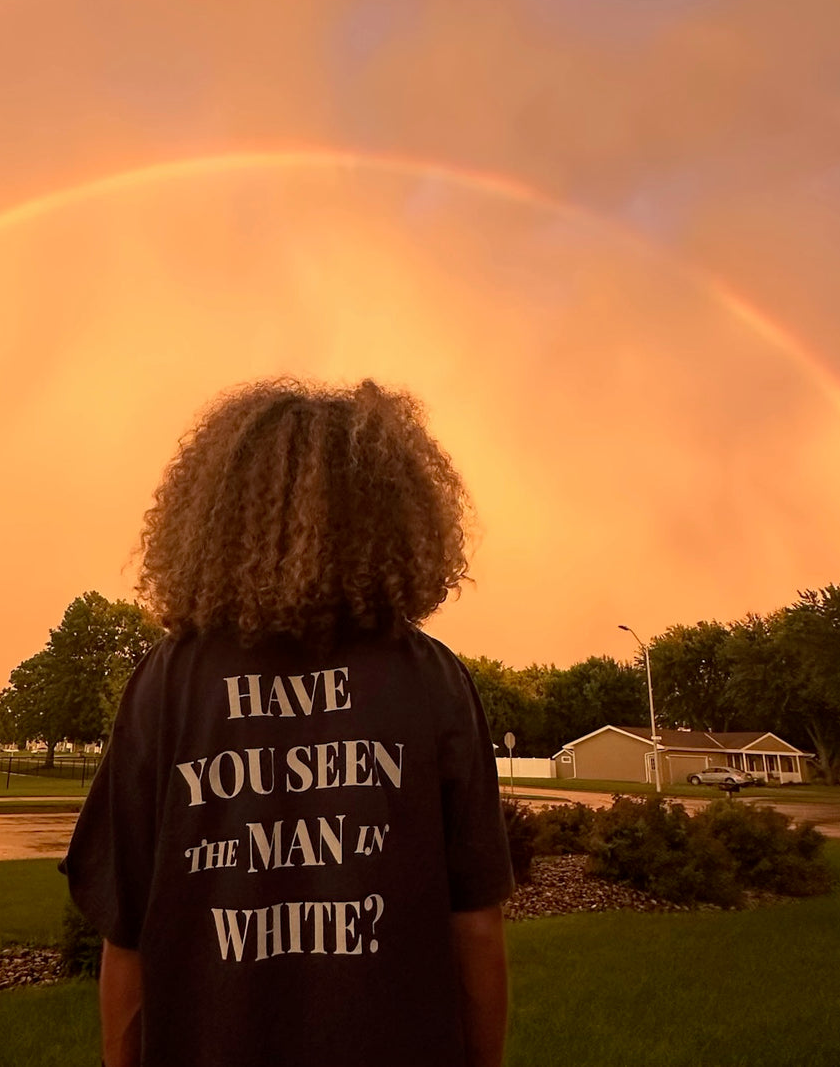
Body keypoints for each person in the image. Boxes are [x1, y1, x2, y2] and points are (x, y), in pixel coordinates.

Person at [61, 378, 513, 1067]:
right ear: (392, 516)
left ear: (216, 514)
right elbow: (476, 927)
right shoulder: (433, 681)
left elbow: (125, 938)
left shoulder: (165, 684)